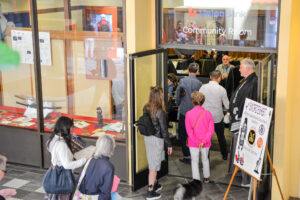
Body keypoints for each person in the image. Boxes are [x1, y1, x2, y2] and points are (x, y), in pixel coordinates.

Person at [228, 58, 258, 187]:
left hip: (246, 123)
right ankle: (240, 172)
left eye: (240, 67)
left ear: (247, 68)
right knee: (239, 149)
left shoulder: (254, 82)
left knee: (244, 150)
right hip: (239, 120)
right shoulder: (246, 81)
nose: (239, 69)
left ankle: (246, 179)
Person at [45, 116, 88, 200]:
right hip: (63, 175)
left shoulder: (53, 139)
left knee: (56, 195)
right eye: (70, 129)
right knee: (64, 195)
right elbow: (67, 165)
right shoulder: (61, 144)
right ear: (65, 129)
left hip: (56, 172)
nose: (71, 131)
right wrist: (84, 159)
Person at [143, 86, 172, 200]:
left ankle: (154, 184)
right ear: (159, 96)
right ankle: (150, 191)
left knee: (152, 161)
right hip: (156, 139)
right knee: (153, 166)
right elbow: (164, 131)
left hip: (148, 138)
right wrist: (169, 145)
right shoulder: (160, 111)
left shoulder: (146, 107)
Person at [199, 70, 229, 160]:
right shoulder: (222, 90)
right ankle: (224, 155)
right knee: (221, 137)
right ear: (219, 78)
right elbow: (227, 105)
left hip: (205, 118)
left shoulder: (202, 88)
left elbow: (199, 102)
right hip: (217, 118)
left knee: (206, 139)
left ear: (210, 77)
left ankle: (206, 158)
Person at [175, 63, 202, 164]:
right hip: (195, 113)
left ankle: (187, 156)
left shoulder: (182, 81)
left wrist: (178, 103)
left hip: (184, 112)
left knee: (183, 134)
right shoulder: (199, 84)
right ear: (198, 71)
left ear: (187, 70)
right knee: (194, 135)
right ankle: (194, 155)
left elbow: (178, 95)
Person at [185, 91, 214, 183]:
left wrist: (197, 142)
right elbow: (211, 130)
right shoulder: (208, 113)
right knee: (205, 159)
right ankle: (206, 177)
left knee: (194, 161)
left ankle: (196, 179)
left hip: (193, 143)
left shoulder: (188, 114)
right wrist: (203, 141)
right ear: (203, 101)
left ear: (192, 101)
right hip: (205, 143)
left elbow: (189, 131)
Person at [76, 135, 116, 200]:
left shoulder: (89, 160)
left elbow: (79, 180)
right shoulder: (109, 167)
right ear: (111, 148)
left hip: (82, 196)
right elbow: (105, 192)